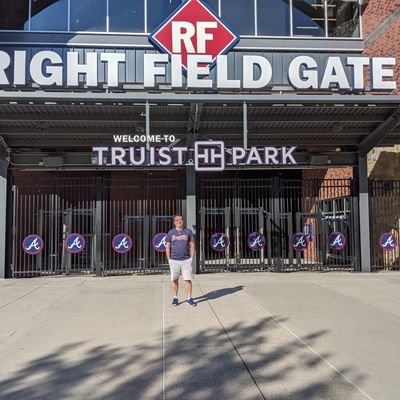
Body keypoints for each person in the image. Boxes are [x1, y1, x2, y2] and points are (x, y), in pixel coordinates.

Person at [165, 214, 196, 307]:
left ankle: (189, 298)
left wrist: (191, 258)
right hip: (174, 260)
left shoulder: (188, 232)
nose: (179, 221)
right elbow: (167, 246)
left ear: (183, 221)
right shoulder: (170, 233)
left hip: (186, 260)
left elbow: (192, 245)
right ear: (174, 222)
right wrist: (169, 259)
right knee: (175, 279)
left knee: (187, 279)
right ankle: (175, 297)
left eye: (180, 220)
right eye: (177, 220)